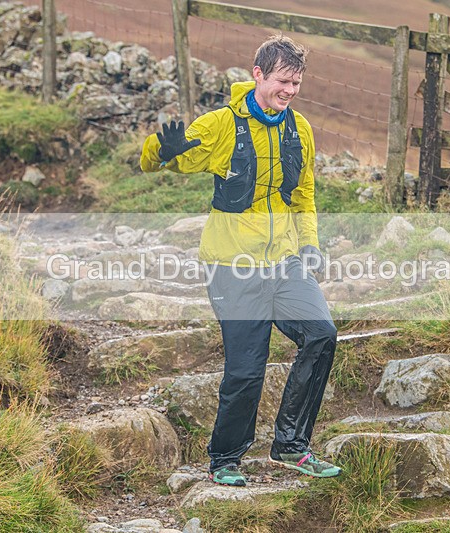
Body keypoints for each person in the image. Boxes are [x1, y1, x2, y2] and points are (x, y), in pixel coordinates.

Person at [140, 34, 341, 487]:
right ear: (257, 75)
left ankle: (291, 446)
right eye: (282, 81)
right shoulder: (221, 126)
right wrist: (161, 151)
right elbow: (155, 163)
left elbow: (304, 194)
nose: (289, 91)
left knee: (322, 334)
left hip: (286, 261)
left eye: (297, 83)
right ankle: (225, 459)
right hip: (232, 266)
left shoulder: (300, 130)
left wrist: (309, 244)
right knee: (247, 370)